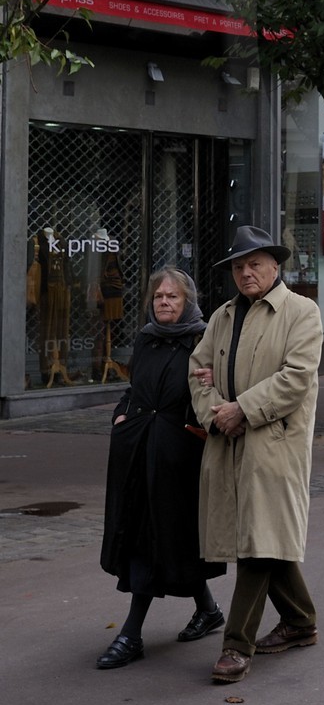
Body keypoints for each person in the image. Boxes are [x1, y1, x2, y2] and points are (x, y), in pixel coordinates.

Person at [189, 225, 323, 686]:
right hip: (228, 442)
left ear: (275, 266)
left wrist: (242, 409)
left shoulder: (302, 312)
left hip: (274, 444)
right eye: (239, 266)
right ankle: (301, 622)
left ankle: (235, 645)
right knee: (265, 536)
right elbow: (198, 371)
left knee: (257, 543)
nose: (246, 273)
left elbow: (296, 377)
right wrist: (215, 414)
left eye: (255, 264)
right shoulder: (223, 316)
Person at [96, 269, 225, 669]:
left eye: (173, 296)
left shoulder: (203, 339)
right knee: (155, 535)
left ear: (188, 302)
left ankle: (131, 633)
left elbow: (219, 388)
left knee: (161, 535)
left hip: (179, 454)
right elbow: (135, 389)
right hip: (138, 450)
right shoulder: (146, 338)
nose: (164, 302)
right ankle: (208, 610)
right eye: (158, 296)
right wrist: (121, 416)